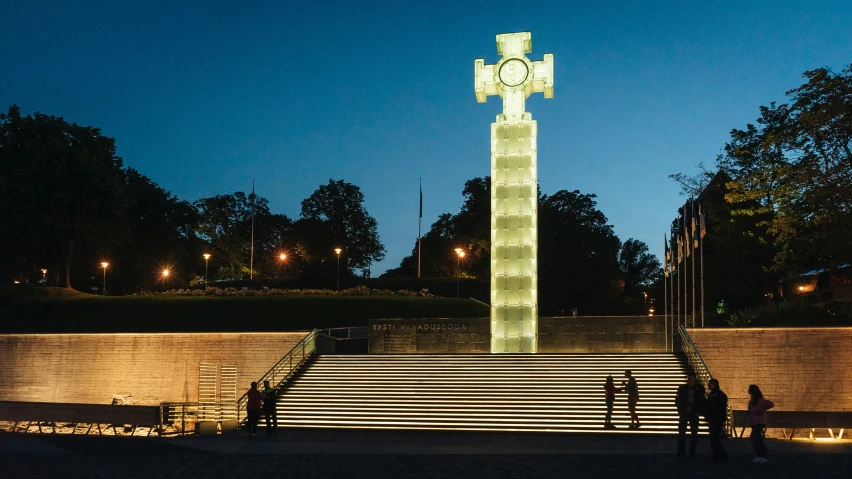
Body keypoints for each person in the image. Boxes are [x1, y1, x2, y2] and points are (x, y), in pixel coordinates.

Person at [675, 371, 705, 457]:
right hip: (684, 413)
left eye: (691, 378)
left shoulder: (699, 388)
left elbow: (702, 401)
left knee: (694, 433)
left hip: (694, 413)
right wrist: (680, 410)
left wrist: (698, 412)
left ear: (695, 379)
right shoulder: (682, 388)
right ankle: (681, 451)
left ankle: (692, 451)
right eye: (688, 378)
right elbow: (677, 399)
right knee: (681, 433)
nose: (689, 380)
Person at [747, 384, 774, 463]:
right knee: (757, 439)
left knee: (755, 438)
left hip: (759, 421)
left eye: (749, 389)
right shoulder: (752, 399)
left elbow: (770, 404)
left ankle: (762, 456)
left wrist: (759, 410)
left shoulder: (760, 399)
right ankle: (760, 455)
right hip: (754, 421)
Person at [705, 378, 729, 462]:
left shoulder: (717, 395)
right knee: (714, 438)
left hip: (716, 419)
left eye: (709, 384)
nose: (708, 385)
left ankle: (720, 455)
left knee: (714, 438)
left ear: (713, 385)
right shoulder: (715, 394)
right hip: (714, 419)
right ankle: (719, 455)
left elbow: (717, 408)